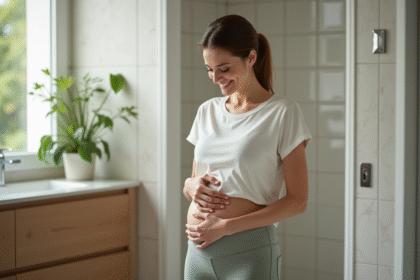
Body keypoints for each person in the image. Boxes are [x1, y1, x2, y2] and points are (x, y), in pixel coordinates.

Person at [183, 14, 312, 280]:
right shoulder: (206, 111)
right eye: (209, 68)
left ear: (251, 58)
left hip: (249, 253)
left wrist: (226, 227)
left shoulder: (283, 112)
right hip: (197, 254)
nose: (216, 77)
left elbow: (298, 201)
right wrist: (190, 186)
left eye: (224, 68)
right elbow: (194, 183)